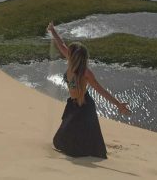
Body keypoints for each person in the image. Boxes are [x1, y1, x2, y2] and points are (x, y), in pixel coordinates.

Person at [47, 21, 131, 159]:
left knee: (83, 141)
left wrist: (118, 104)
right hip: (73, 105)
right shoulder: (69, 59)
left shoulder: (86, 73)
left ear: (75, 57)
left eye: (70, 51)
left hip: (84, 107)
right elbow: (60, 44)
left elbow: (101, 90)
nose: (67, 51)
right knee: (61, 138)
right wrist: (52, 30)